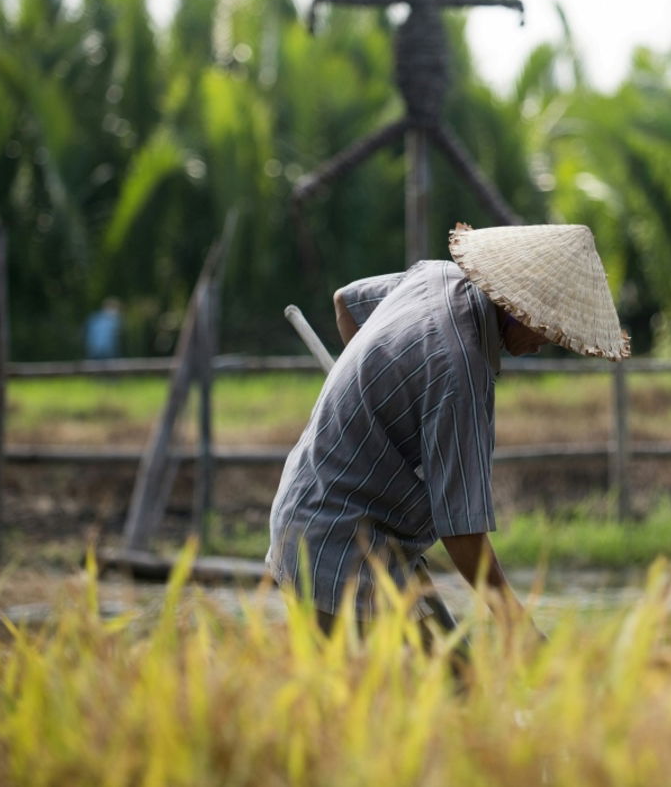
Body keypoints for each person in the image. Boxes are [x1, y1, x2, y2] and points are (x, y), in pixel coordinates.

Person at [267, 223, 629, 635]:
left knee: (453, 680)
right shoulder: (459, 371)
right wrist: (517, 626)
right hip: (333, 542)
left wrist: (375, 399)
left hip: (359, 530)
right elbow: (462, 530)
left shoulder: (435, 276)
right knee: (424, 688)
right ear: (516, 306)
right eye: (548, 327)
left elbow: (347, 302)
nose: (548, 341)